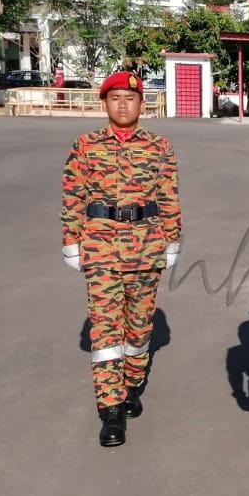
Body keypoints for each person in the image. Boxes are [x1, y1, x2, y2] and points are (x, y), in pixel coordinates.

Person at [62, 71, 181, 448]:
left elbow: (169, 196)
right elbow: (72, 196)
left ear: (141, 103)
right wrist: (71, 241)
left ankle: (131, 384)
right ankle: (110, 408)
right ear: (105, 104)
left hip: (146, 245)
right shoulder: (85, 146)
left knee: (140, 326)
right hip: (100, 245)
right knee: (105, 328)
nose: (123, 104)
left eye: (130, 98)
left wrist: (172, 239)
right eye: (115, 98)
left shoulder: (160, 147)